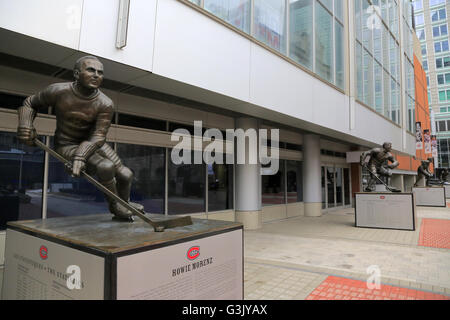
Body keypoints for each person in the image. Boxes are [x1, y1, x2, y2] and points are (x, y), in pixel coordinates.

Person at [16, 56, 142, 220]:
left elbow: (98, 136)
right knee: (105, 167)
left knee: (126, 174)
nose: (96, 75)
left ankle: (123, 205)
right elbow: (29, 103)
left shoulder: (106, 103)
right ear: (76, 73)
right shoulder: (58, 91)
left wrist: (81, 156)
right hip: (67, 144)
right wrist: (25, 125)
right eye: (91, 70)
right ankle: (115, 206)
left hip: (93, 143)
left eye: (100, 72)